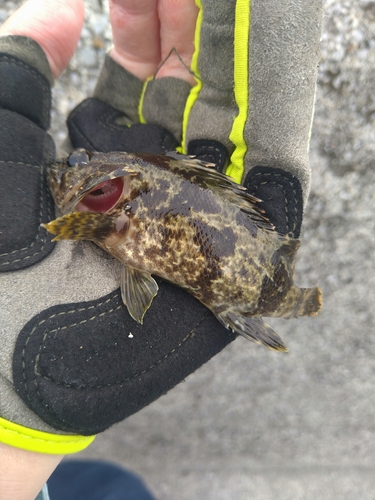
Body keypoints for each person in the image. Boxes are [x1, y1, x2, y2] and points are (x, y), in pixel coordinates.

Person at [0, 0, 323, 498]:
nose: (66, 176)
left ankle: (291, 298)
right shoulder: (102, 216)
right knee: (118, 489)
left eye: (94, 186)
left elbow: (99, 232)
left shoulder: (110, 215)